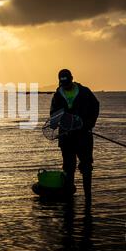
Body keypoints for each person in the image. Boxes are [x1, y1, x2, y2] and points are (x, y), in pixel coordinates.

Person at [50, 69, 99, 203]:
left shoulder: (84, 91)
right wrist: (55, 123)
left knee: (86, 166)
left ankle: (88, 198)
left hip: (84, 136)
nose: (65, 85)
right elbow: (53, 114)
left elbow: (96, 106)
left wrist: (89, 124)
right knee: (68, 167)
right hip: (66, 137)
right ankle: (68, 198)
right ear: (60, 82)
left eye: (67, 82)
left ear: (72, 78)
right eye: (63, 83)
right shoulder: (57, 95)